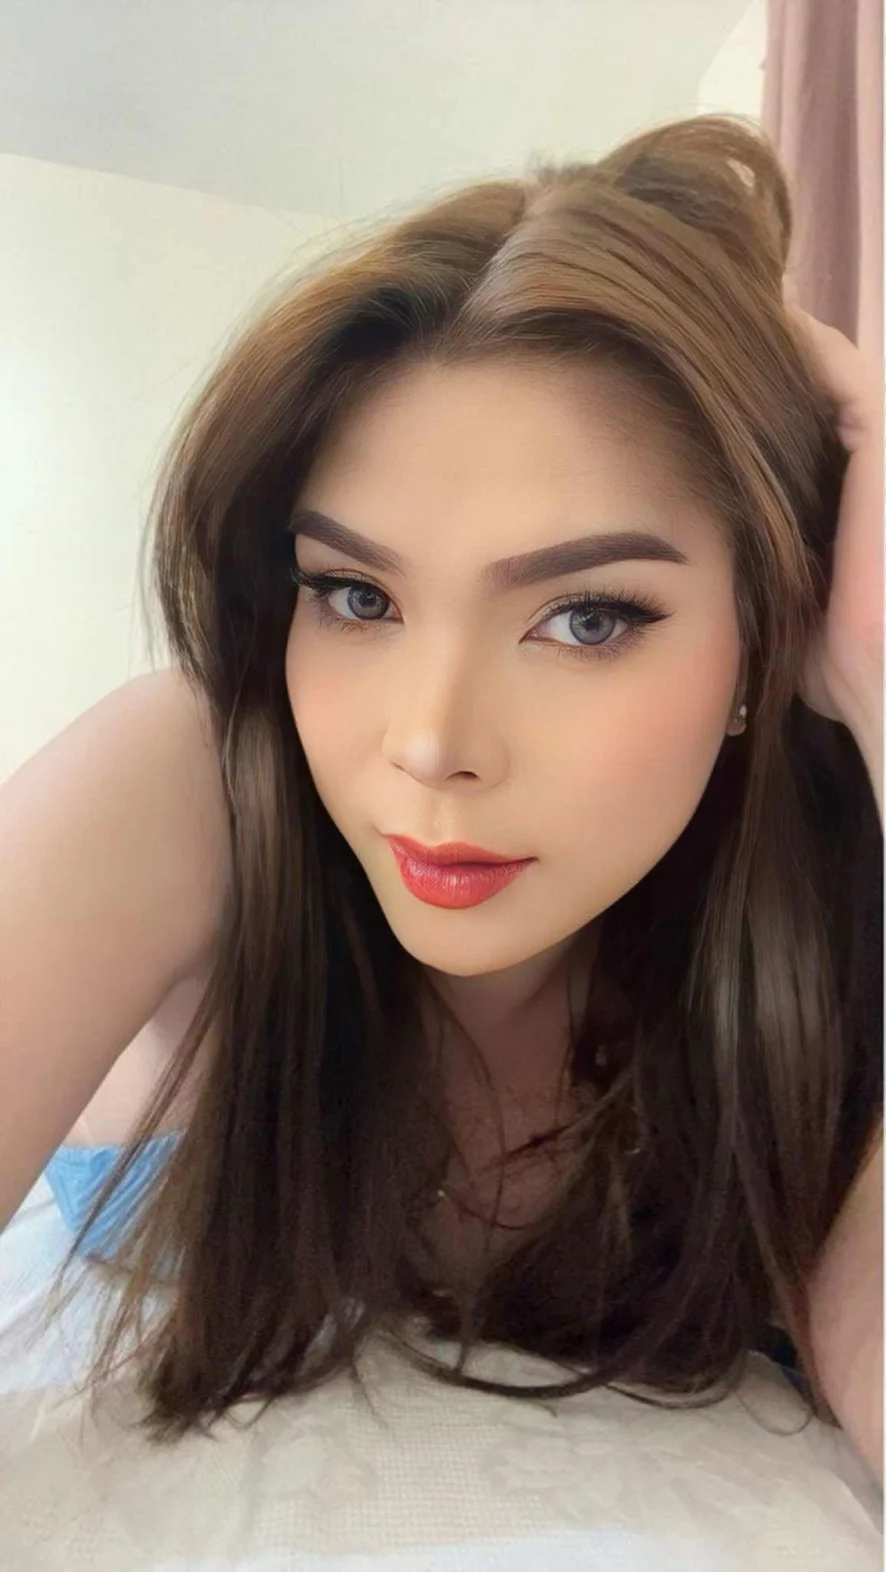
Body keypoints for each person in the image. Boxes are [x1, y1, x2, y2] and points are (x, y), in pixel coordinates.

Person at [0, 113, 881, 1449]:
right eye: (356, 595)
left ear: (766, 639)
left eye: (586, 617)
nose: (428, 743)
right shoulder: (193, 778)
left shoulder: (820, 900)